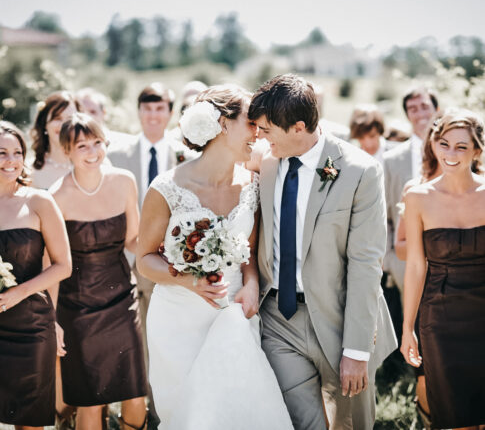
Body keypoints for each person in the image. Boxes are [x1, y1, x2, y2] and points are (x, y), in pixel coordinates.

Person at [136, 85, 294, 430]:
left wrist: (251, 284)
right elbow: (144, 258)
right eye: (251, 122)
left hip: (234, 311)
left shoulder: (252, 184)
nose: (258, 132)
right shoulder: (166, 187)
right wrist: (188, 280)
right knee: (186, 415)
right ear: (223, 124)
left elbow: (247, 253)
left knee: (239, 410)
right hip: (177, 319)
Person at [248, 74, 397, 430]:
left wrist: (357, 350)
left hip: (340, 318)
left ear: (299, 127)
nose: (259, 137)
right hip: (279, 320)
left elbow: (365, 264)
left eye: (266, 129)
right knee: (303, 423)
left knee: (351, 424)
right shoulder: (264, 162)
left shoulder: (361, 172)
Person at [51, 113, 147, 430]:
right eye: (82, 146)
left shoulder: (124, 182)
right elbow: (52, 266)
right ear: (67, 151)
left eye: (97, 143)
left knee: (135, 392)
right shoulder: (55, 197)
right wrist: (53, 321)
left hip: (122, 301)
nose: (93, 152)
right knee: (90, 402)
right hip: (76, 309)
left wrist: (168, 248)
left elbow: (133, 239)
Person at [108, 82, 194, 427]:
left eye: (160, 109)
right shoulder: (118, 155)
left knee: (170, 342)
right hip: (129, 264)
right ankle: (137, 414)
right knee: (137, 343)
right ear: (139, 112)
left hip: (175, 263)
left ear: (170, 114)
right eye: (147, 108)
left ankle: (167, 413)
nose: (153, 115)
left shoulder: (186, 154)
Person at [401, 109, 485, 430]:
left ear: (476, 150)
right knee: (456, 417)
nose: (450, 154)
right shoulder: (418, 197)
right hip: (440, 320)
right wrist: (408, 327)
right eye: (444, 144)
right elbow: (416, 266)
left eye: (461, 147)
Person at [0, 121, 71, 429]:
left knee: (30, 422)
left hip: (31, 329)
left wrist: (18, 292)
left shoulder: (39, 201)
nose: (11, 160)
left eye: (17, 152)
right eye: (1, 153)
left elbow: (63, 265)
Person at [393, 115, 442, 428]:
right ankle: (428, 421)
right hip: (427, 289)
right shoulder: (416, 188)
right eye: (441, 145)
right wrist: (429, 244)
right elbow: (400, 247)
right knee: (427, 372)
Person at [383, 87, 439, 294]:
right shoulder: (391, 160)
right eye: (413, 109)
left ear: (436, 109)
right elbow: (385, 213)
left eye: (425, 106)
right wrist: (389, 260)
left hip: (450, 260)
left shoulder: (456, 152)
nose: (420, 113)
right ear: (407, 115)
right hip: (404, 262)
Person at [30, 91, 79, 189]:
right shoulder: (30, 171)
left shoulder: (94, 163)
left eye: (70, 119)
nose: (63, 125)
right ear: (44, 123)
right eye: (57, 118)